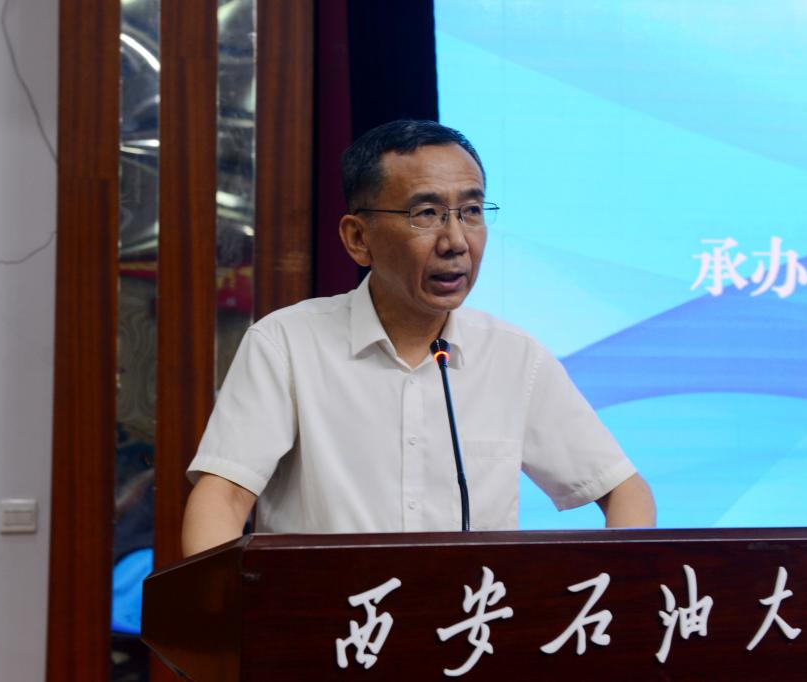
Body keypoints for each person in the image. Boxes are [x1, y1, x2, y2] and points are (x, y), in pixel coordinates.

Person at [181, 120, 654, 556]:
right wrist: (223, 609)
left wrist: (613, 588)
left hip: (471, 619)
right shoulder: (286, 345)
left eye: (471, 211)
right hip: (328, 619)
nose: (456, 241)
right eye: (426, 213)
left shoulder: (514, 357)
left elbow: (623, 491)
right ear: (358, 239)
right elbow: (223, 497)